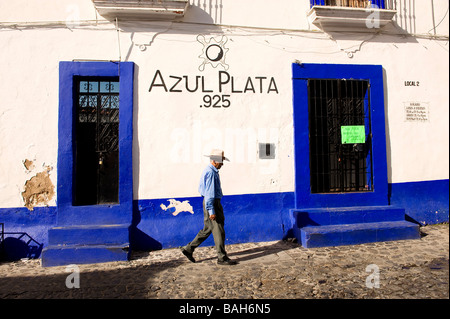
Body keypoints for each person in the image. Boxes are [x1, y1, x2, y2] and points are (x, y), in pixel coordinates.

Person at [181, 149, 237, 265]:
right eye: (221, 161)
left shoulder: (209, 170)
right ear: (215, 161)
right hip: (212, 204)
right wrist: (211, 210)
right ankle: (221, 257)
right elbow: (210, 194)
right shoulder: (211, 173)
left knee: (207, 229)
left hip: (209, 203)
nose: (222, 164)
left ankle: (188, 249)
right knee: (219, 230)